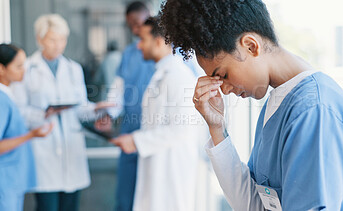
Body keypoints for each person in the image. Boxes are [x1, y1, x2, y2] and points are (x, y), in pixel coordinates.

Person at [160, 0, 343, 210]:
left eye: (223, 75)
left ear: (251, 46)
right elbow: (255, 204)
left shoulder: (315, 110)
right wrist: (217, 129)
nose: (223, 89)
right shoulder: (276, 104)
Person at [11, 14, 113, 211]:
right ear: (40, 39)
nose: (58, 45)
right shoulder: (28, 69)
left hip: (71, 150)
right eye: (52, 39)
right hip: (44, 150)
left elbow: (80, 108)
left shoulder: (73, 69)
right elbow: (19, 111)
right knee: (47, 206)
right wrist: (43, 115)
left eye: (62, 39)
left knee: (71, 206)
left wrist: (95, 110)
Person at [110, 16, 204, 211]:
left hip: (172, 169)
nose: (138, 46)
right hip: (160, 166)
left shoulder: (178, 76)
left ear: (159, 42)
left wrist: (136, 141)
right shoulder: (162, 73)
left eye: (143, 40)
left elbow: (182, 129)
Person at [94, 2, 155, 210]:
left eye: (138, 24)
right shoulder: (129, 53)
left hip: (154, 131)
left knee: (152, 194)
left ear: (150, 16)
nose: (136, 30)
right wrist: (109, 114)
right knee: (125, 194)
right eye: (131, 26)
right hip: (130, 129)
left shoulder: (169, 52)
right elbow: (118, 90)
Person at [0, 43, 53, 211]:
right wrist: (31, 135)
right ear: (1, 69)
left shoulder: (8, 96)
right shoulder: (1, 100)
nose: (24, 70)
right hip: (5, 181)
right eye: (18, 66)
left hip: (12, 181)